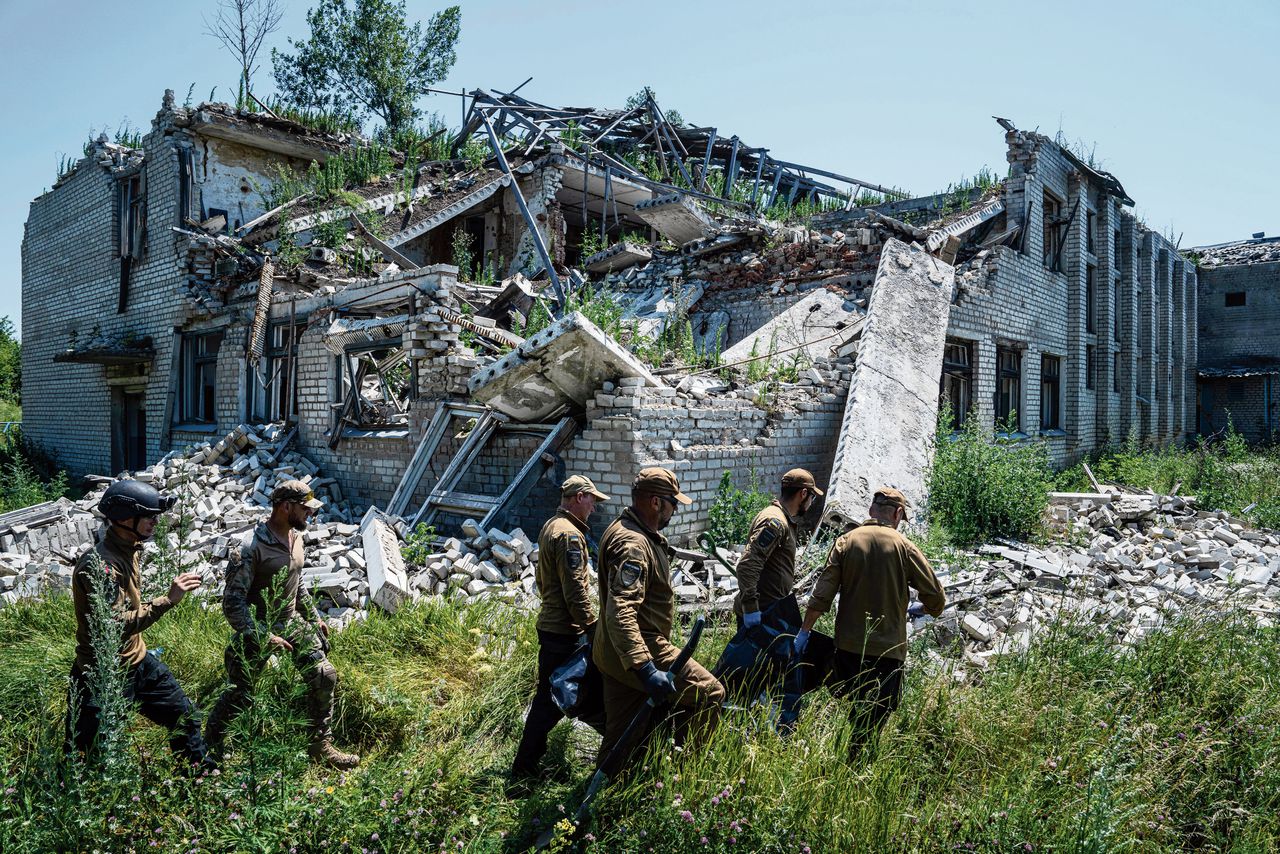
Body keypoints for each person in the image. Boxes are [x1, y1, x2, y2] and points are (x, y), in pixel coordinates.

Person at [204, 480, 358, 769]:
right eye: (305, 509)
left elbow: (296, 585)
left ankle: (319, 746)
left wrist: (314, 617)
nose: (310, 515)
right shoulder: (250, 547)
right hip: (257, 626)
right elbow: (233, 603)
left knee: (324, 676)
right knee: (241, 691)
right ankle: (211, 744)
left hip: (290, 622)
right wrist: (263, 635)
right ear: (285, 507)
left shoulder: (295, 538)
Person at [794, 487, 945, 759]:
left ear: (871, 510)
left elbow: (822, 594)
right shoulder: (905, 547)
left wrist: (804, 632)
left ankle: (842, 761)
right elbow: (936, 597)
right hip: (888, 653)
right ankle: (858, 768)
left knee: (850, 708)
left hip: (848, 651)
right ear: (898, 513)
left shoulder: (846, 541)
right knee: (871, 724)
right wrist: (924, 608)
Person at [66, 479, 210, 767]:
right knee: (93, 755)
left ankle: (200, 782)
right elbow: (113, 627)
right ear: (123, 518)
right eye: (149, 516)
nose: (155, 522)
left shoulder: (129, 546)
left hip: (138, 661)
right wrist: (167, 600)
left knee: (186, 718)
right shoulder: (101, 567)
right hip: (102, 674)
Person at [593, 467, 725, 772]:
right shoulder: (633, 545)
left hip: (616, 651)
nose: (675, 509)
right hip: (639, 649)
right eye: (672, 503)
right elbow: (622, 610)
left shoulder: (630, 529)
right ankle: (681, 774)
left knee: (624, 740)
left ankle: (619, 787)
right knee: (711, 693)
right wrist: (646, 669)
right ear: (655, 502)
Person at [509, 475, 610, 782]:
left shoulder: (552, 525)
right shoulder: (570, 536)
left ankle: (614, 750)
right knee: (555, 700)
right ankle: (523, 771)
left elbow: (545, 581)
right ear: (579, 497)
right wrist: (592, 629)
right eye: (592, 499)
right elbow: (575, 591)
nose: (594, 507)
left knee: (564, 697)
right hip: (565, 632)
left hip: (554, 626)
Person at [734, 468, 824, 630]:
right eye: (812, 497)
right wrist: (751, 608)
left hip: (770, 611)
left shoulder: (779, 518)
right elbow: (747, 564)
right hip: (761, 614)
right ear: (803, 494)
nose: (811, 502)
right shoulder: (775, 522)